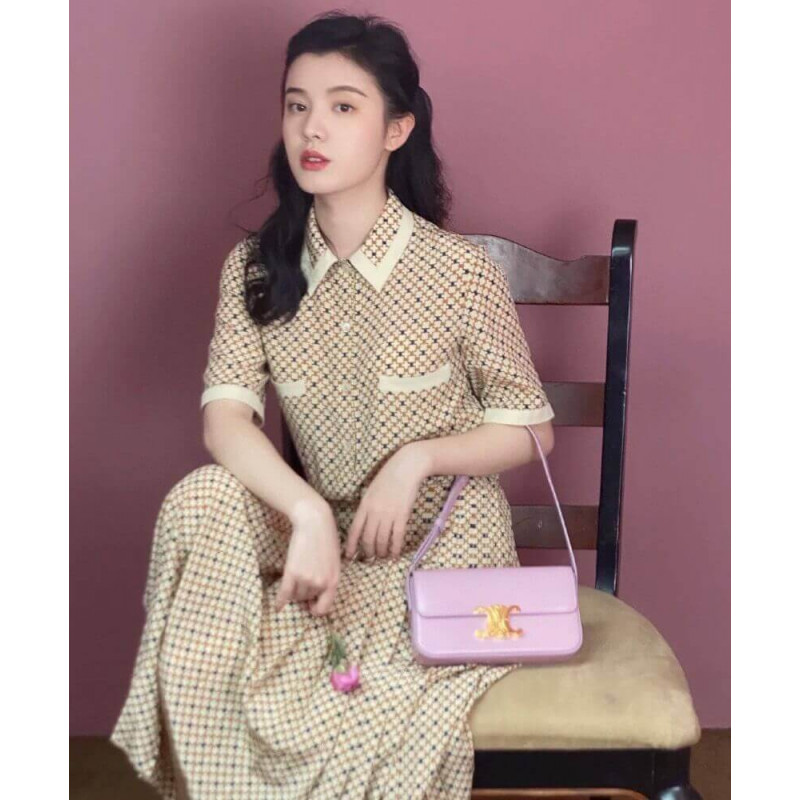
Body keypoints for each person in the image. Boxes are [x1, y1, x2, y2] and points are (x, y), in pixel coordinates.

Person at [110, 11, 556, 799]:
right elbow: (225, 420)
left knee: (351, 700)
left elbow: (533, 428)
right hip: (322, 540)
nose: (311, 128)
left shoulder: (459, 273)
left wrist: (417, 460)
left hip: (443, 550)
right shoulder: (254, 269)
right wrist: (307, 511)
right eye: (297, 105)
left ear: (397, 129)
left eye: (344, 106)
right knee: (200, 500)